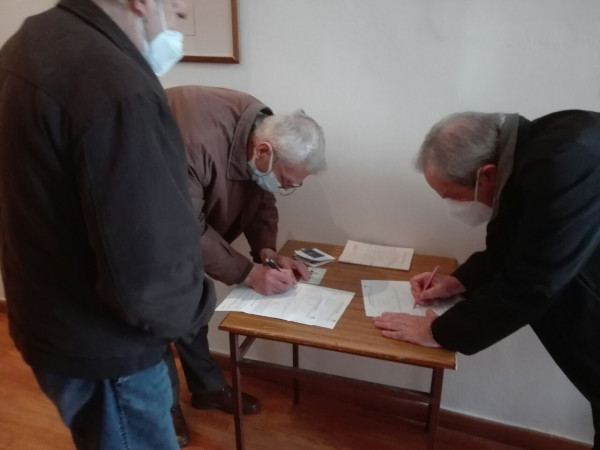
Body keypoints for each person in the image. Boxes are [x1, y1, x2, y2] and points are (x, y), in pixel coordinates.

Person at [0, 1, 215, 449]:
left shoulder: (28, 41)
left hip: (47, 320)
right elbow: (149, 269)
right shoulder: (116, 87)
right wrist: (196, 308)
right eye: (177, 10)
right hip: (106, 350)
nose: (181, 15)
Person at [372, 111, 600, 448]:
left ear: (487, 175)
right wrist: (458, 281)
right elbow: (513, 244)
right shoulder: (529, 152)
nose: (453, 206)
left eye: (452, 196)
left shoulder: (562, 162)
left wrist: (436, 331)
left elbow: (532, 281)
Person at [163, 85, 326, 441]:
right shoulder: (193, 142)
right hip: (144, 227)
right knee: (158, 318)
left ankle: (206, 389)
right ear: (264, 151)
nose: (285, 188)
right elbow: (184, 228)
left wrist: (266, 252)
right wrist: (248, 273)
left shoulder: (259, 130)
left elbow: (262, 194)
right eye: (287, 182)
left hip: (178, 221)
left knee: (194, 304)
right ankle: (163, 409)